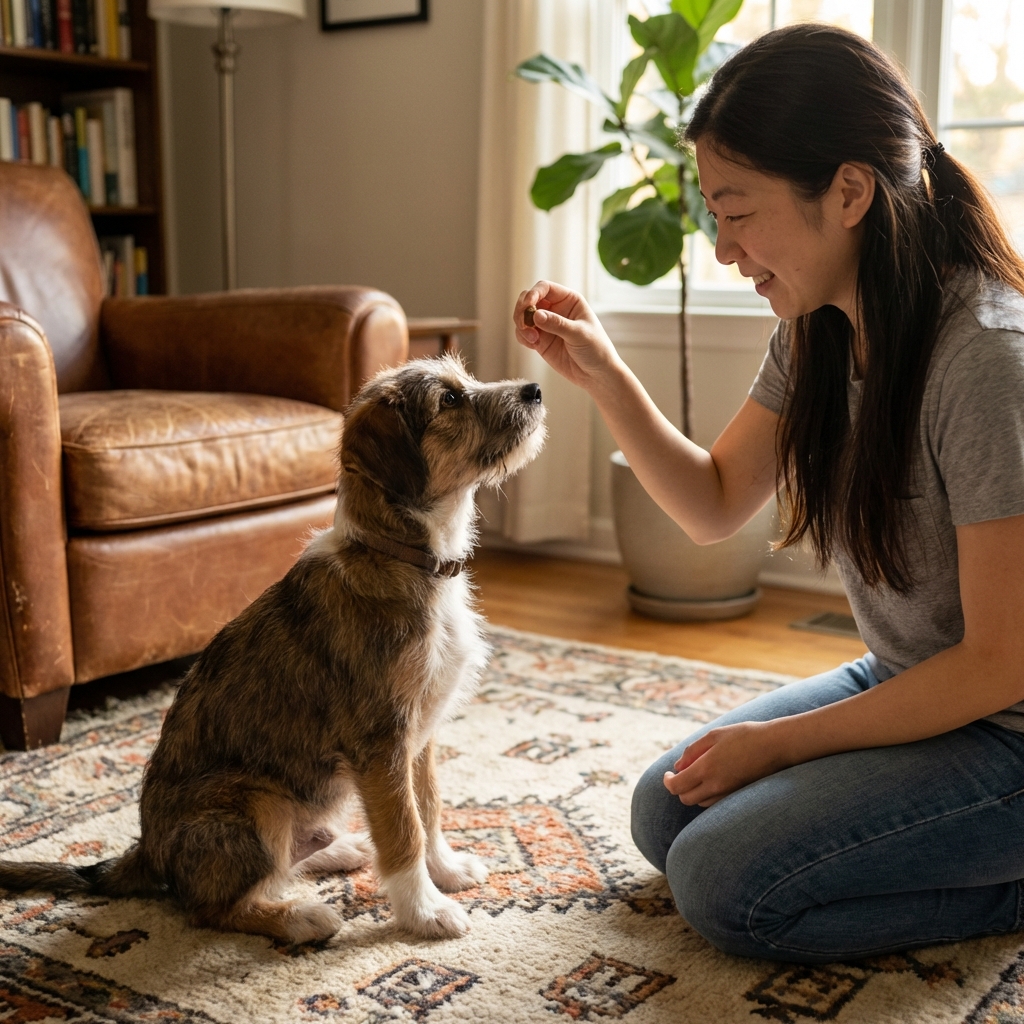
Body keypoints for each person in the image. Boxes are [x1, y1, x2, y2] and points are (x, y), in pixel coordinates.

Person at [512, 23, 1024, 964]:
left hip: (1009, 730)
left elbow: (1001, 663)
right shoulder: (818, 327)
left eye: (737, 212)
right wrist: (603, 373)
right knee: (665, 810)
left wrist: (786, 744)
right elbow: (712, 505)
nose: (722, 249)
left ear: (850, 192)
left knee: (723, 883)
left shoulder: (987, 359)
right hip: (910, 679)